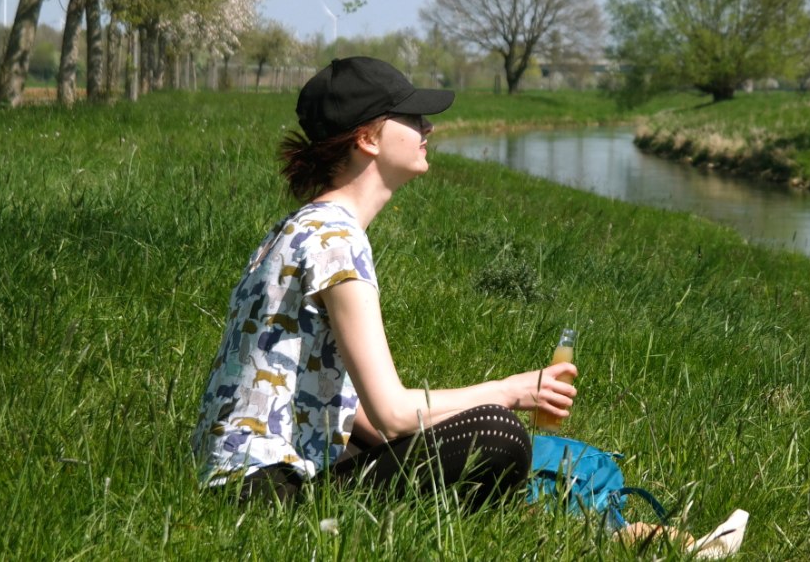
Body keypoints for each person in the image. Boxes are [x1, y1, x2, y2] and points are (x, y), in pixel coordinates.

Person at [190, 56, 578, 507]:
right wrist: (510, 392)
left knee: (463, 447)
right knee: (497, 434)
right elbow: (391, 414)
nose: (428, 128)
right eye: (412, 117)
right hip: (267, 492)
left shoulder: (300, 228)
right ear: (368, 138)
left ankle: (560, 520)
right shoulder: (336, 239)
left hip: (241, 483)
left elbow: (353, 415)